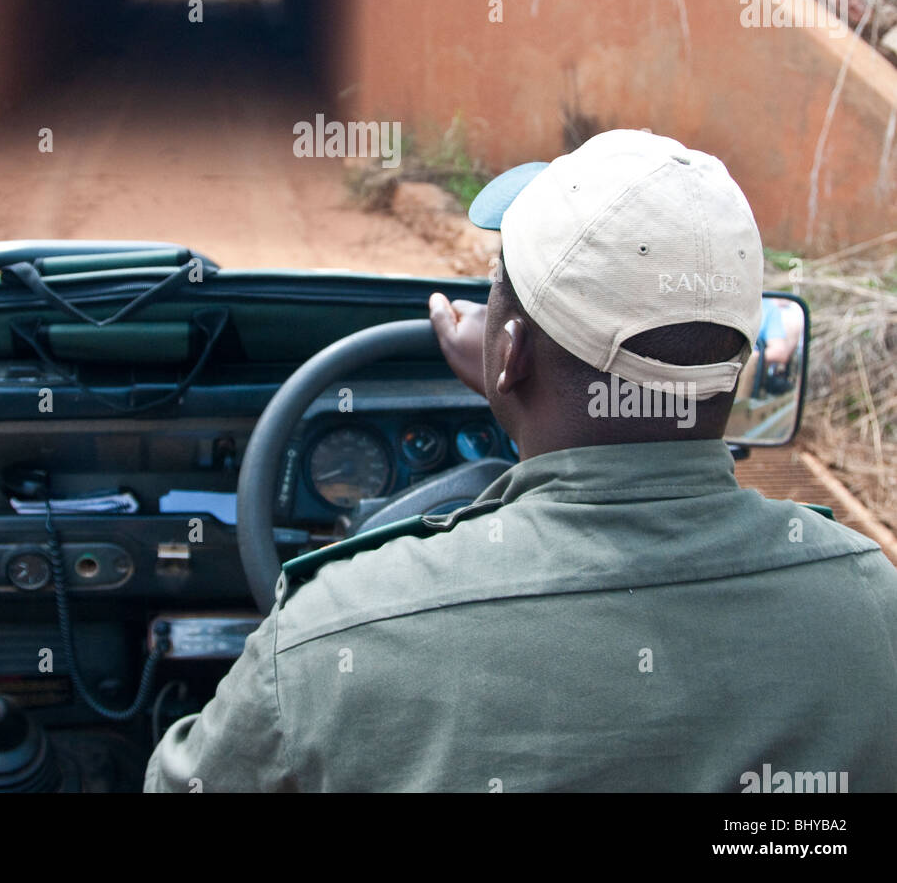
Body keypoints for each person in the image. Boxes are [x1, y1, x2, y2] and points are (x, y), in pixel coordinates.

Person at [143, 128, 897, 792]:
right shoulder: (873, 611)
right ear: (738, 367)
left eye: (499, 288)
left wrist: (516, 378)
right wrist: (520, 366)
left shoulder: (331, 636)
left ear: (508, 352)